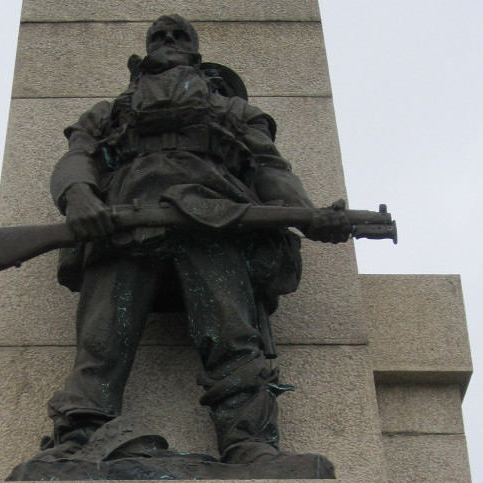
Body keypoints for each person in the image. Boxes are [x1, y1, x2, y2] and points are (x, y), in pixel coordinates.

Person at [44, 14, 350, 464]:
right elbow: (77, 158)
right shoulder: (111, 111)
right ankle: (75, 440)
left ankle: (251, 444)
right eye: (159, 37)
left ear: (196, 51)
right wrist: (79, 197)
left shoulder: (235, 112)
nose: (168, 42)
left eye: (179, 36)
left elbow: (269, 169)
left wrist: (308, 216)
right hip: (124, 224)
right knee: (102, 341)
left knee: (231, 334)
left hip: (212, 223)